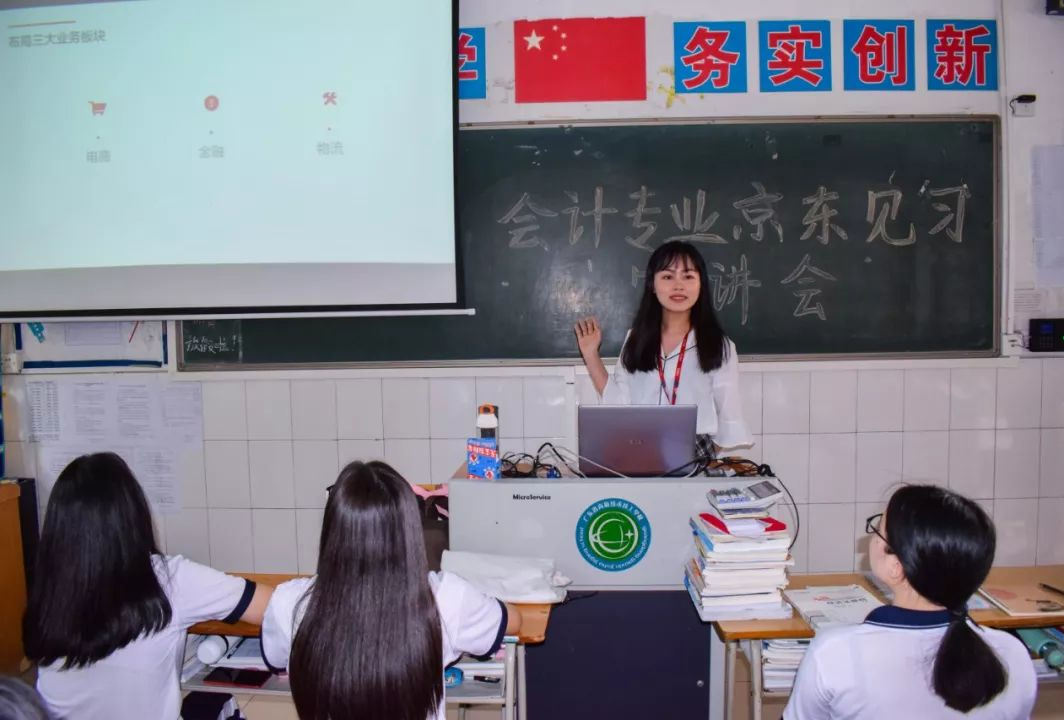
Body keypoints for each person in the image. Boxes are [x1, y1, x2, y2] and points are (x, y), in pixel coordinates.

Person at [261, 460, 521, 720]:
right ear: (410, 529)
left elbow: (277, 661)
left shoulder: (289, 601)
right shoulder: (446, 598)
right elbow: (513, 621)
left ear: (333, 529)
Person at [22, 452, 272, 720]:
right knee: (220, 703)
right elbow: (272, 606)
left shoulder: (50, 595)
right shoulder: (169, 579)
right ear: (133, 517)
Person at [784, 485, 1036, 719]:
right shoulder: (1012, 654)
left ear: (896, 567)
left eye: (878, 529)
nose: (871, 537)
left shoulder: (835, 653)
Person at [575, 240, 752, 456]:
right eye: (668, 277)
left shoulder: (719, 345)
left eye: (688, 276)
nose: (678, 286)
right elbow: (619, 403)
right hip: (639, 446)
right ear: (652, 284)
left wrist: (703, 459)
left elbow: (729, 413)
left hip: (695, 449)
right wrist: (591, 354)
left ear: (701, 284)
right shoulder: (636, 339)